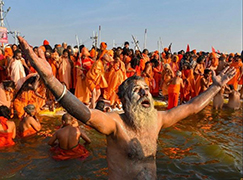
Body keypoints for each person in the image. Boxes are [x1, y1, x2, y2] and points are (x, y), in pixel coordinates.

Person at [18, 36, 236, 179]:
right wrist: (50, 80)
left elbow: (192, 107)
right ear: (125, 101)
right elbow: (83, 113)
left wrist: (215, 88)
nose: (145, 93)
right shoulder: (115, 123)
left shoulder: (158, 119)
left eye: (145, 89)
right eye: (137, 90)